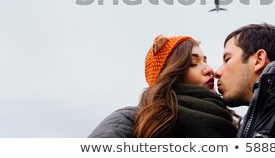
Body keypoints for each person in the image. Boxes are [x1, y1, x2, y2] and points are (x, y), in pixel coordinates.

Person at [89, 34, 238, 138]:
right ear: (172, 75)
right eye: (193, 64)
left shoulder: (235, 126)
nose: (209, 69)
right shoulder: (137, 120)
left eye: (205, 61)